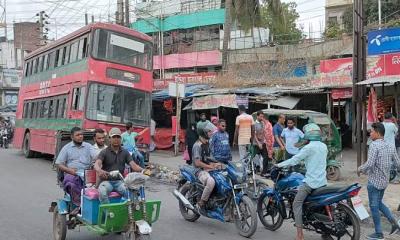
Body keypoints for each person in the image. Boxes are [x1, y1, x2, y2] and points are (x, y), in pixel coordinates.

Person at [277, 123, 328, 240]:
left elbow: (294, 160)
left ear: (308, 135)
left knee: (297, 203)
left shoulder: (308, 148)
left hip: (311, 183)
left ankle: (299, 235)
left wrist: (278, 164)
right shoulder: (323, 146)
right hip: (323, 182)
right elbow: (315, 160)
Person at [358, 122, 400, 239]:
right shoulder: (390, 146)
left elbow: (370, 164)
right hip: (384, 182)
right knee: (379, 203)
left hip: (374, 182)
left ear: (377, 133)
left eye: (371, 131)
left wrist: (360, 169)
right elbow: (397, 163)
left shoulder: (374, 145)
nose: (370, 134)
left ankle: (378, 233)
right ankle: (394, 223)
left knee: (374, 206)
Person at [94, 128, 145, 204]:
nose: (116, 139)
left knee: (132, 194)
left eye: (118, 137)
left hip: (120, 182)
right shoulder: (104, 152)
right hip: (107, 181)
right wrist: (99, 170)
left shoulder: (125, 152)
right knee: (102, 192)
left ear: (121, 139)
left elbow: (134, 166)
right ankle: (109, 212)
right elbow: (96, 164)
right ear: (109, 139)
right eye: (114, 137)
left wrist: (145, 170)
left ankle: (127, 214)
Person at [55, 127, 97, 208]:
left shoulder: (88, 146)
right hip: (71, 174)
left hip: (86, 174)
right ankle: (78, 205)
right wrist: (69, 170)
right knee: (71, 183)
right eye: (78, 135)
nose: (80, 136)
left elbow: (96, 157)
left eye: (81, 134)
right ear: (72, 137)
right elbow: (59, 164)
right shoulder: (66, 148)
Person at [193, 122, 222, 209]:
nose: (211, 133)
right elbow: (197, 163)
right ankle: (202, 202)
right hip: (199, 171)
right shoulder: (197, 145)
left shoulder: (207, 143)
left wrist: (216, 164)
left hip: (207, 168)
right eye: (209, 131)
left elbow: (208, 158)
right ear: (203, 132)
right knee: (211, 182)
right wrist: (211, 166)